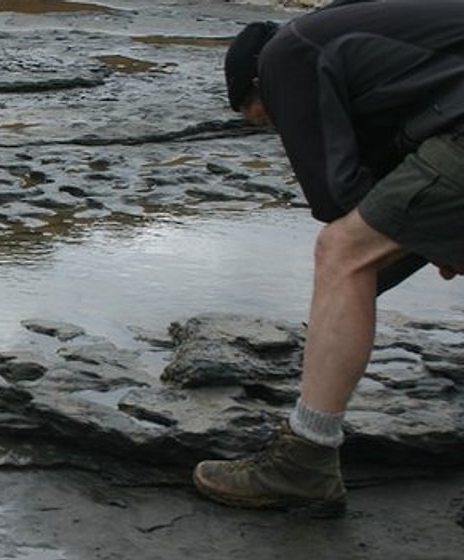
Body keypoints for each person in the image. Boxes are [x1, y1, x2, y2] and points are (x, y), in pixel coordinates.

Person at [192, 0, 464, 517]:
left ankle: (304, 460)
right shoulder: (348, 32)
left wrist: (424, 237)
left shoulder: (285, 55)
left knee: (342, 252)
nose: (278, 129)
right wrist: (434, 235)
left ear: (256, 86)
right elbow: (404, 178)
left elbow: (335, 198)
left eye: (266, 120)